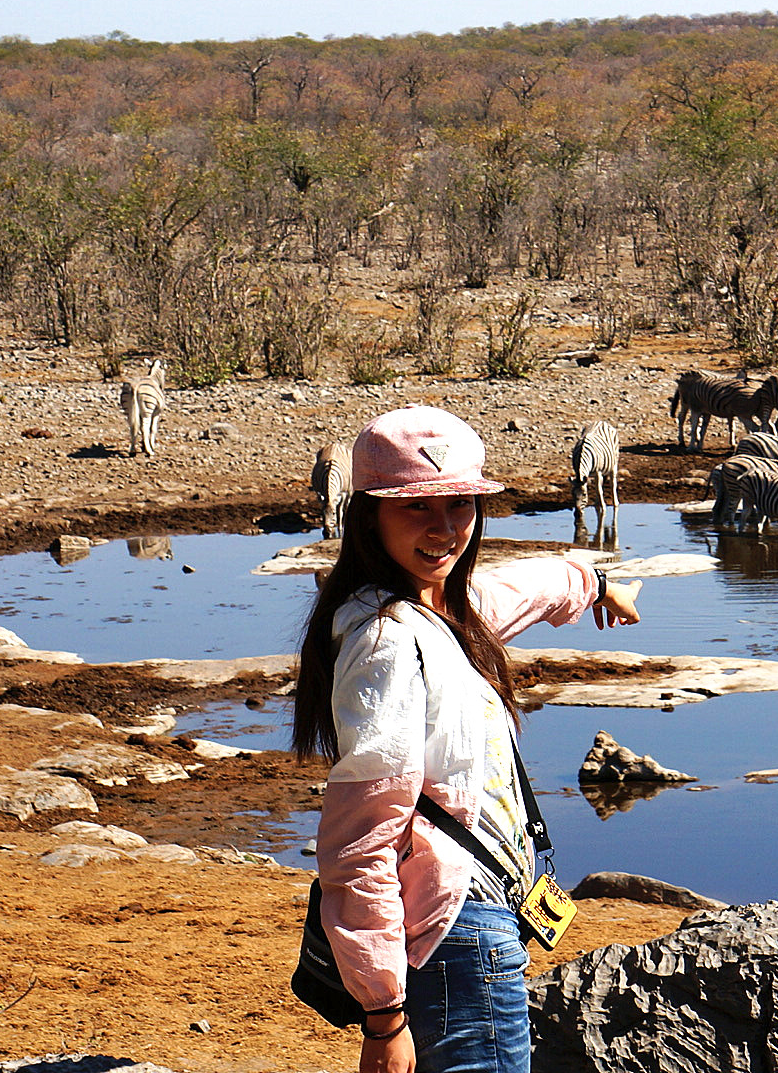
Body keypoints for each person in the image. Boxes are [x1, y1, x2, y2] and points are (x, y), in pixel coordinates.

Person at [291, 405, 641, 1073]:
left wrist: (595, 584)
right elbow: (359, 837)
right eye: (416, 507)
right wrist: (384, 1016)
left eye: (460, 505)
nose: (444, 527)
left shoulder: (436, 608)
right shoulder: (390, 643)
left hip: (472, 927)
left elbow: (519, 590)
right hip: (457, 938)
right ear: (369, 516)